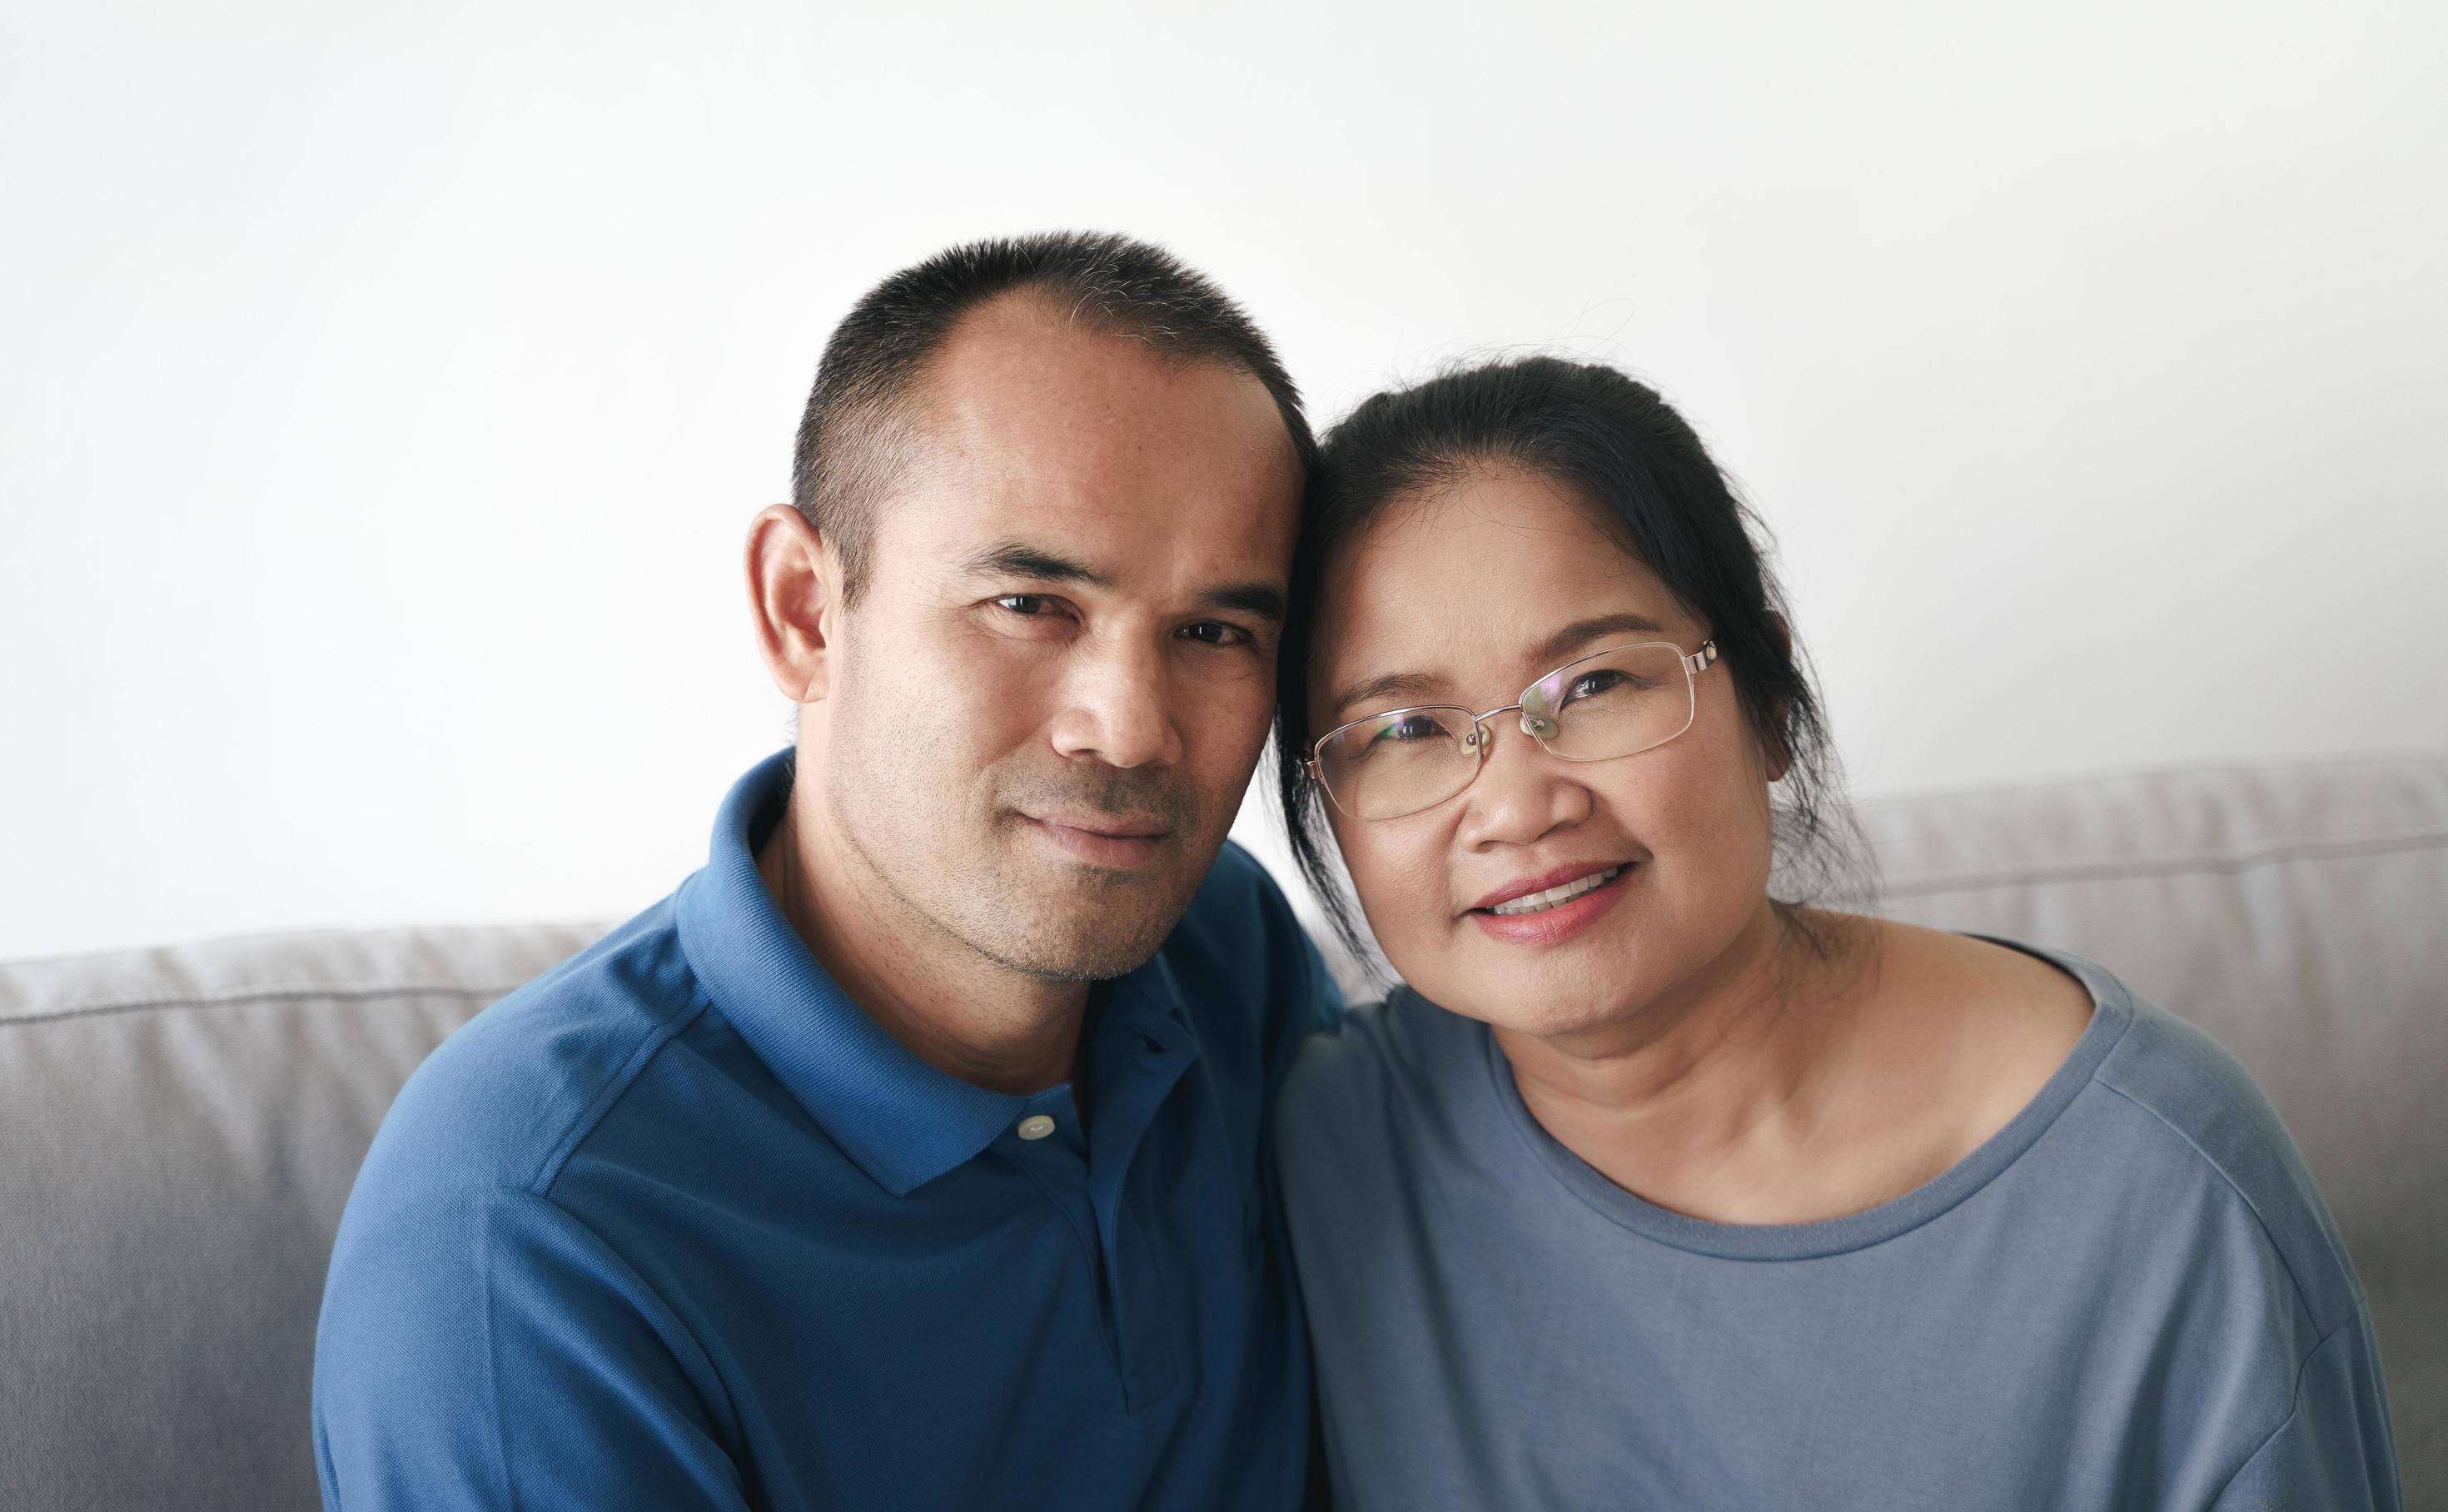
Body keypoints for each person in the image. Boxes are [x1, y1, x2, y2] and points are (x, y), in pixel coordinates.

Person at [313, 233, 1341, 1510]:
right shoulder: (524, 1236)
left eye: (1211, 631)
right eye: (1030, 604)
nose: (1130, 729)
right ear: (805, 609)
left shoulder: (1227, 955)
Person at [1270, 356, 2400, 1510]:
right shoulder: (1317, 1146)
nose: (1515, 806)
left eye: (1599, 681)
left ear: (1769, 701)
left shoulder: (2160, 1187)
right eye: (1404, 726)